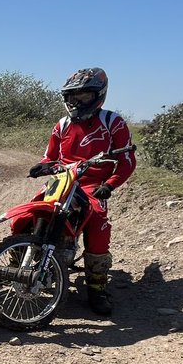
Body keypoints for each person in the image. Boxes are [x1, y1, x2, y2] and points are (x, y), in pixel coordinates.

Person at [29, 67, 136, 315]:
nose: (76, 102)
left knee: (98, 223)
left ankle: (97, 288)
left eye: (83, 96)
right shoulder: (62, 125)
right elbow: (50, 157)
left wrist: (109, 185)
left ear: (99, 95)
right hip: (63, 180)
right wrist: (43, 167)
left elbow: (128, 160)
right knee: (30, 211)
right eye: (72, 97)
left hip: (93, 186)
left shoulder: (113, 122)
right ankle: (16, 264)